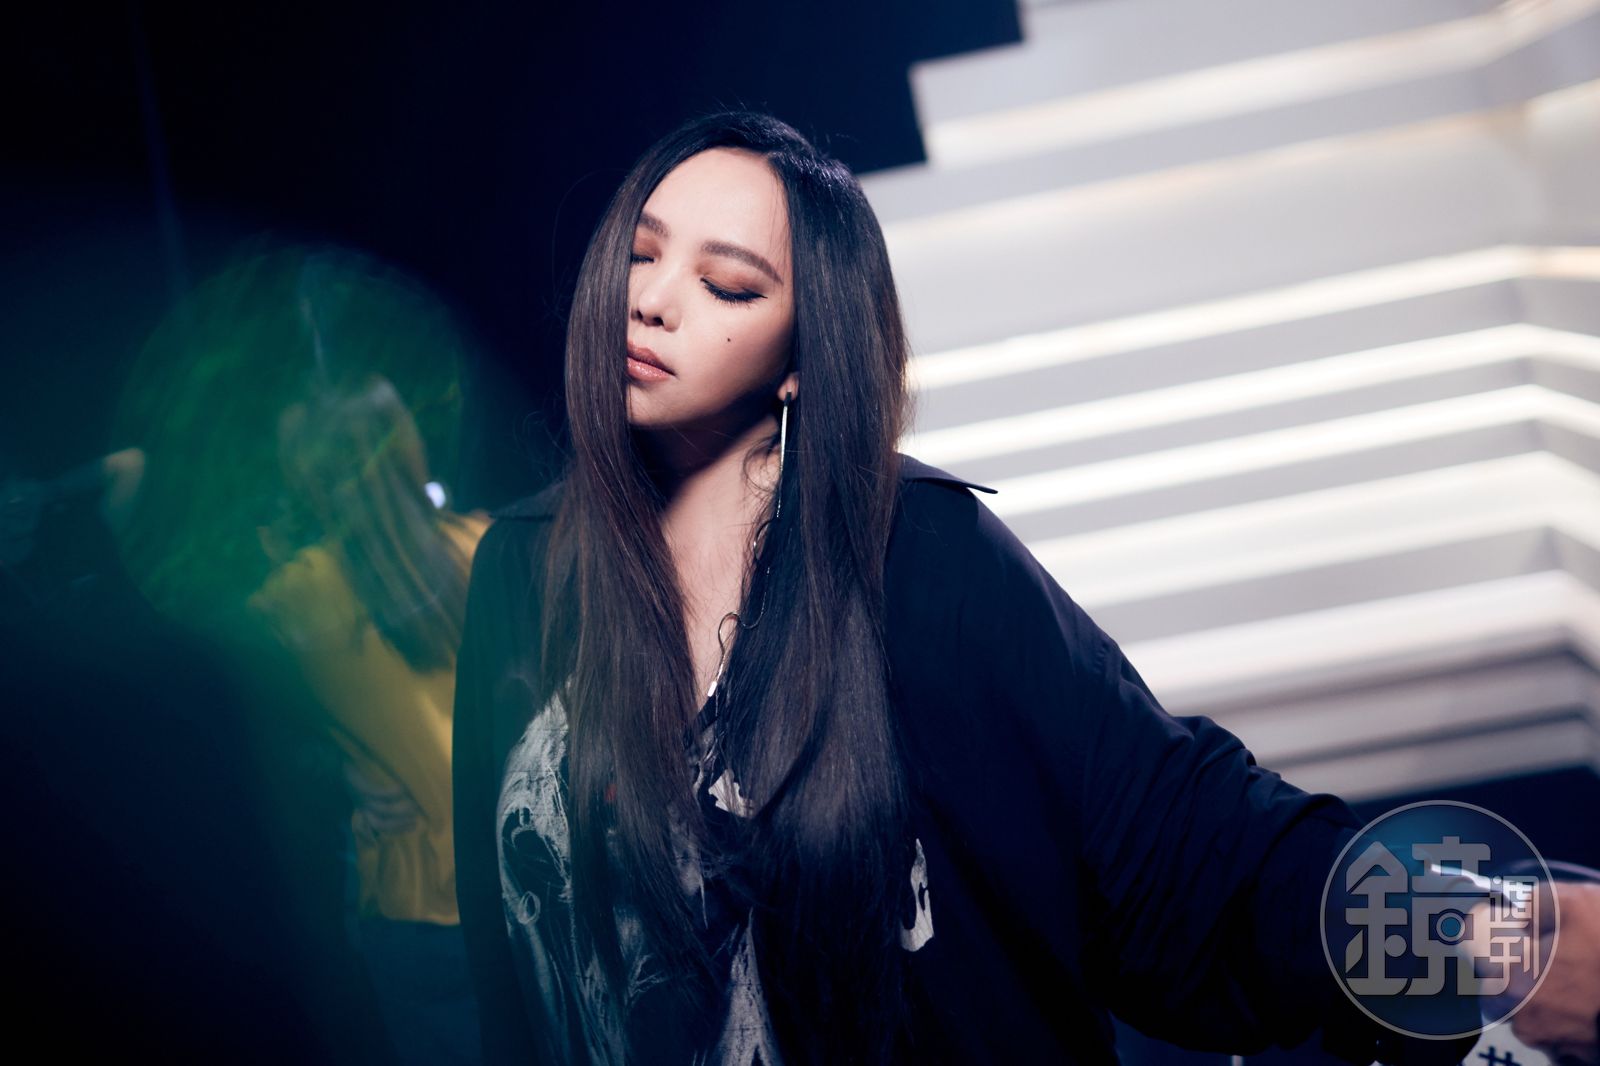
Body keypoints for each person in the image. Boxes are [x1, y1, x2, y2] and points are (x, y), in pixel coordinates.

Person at [452, 111, 1507, 1066]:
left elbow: (1181, 841)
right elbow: (509, 980)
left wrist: (1465, 935)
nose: (650, 301)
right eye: (640, 255)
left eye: (727, 286)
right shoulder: (522, 571)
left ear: (801, 358)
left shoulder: (920, 553)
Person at [250, 373, 486, 1066]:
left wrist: (336, 769)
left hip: (415, 914)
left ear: (308, 479)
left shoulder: (293, 597)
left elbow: (235, 735)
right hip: (524, 889)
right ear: (407, 448)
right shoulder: (485, 545)